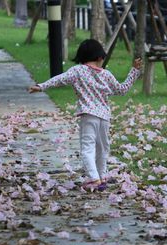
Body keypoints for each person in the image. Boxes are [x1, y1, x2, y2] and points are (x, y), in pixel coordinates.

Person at [29, 39, 142, 191]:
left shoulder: (77, 71)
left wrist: (41, 86)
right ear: (99, 57)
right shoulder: (106, 74)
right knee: (102, 148)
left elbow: (59, 79)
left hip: (88, 115)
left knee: (87, 149)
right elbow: (122, 90)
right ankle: (101, 177)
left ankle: (94, 178)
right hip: (104, 117)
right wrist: (134, 71)